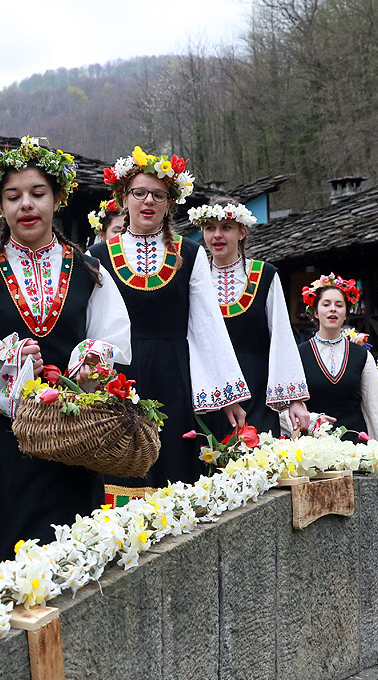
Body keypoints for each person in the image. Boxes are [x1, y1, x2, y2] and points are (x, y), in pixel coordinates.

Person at [0, 136, 132, 570]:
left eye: (37, 193)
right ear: (0, 206)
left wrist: (89, 367)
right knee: (5, 562)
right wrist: (7, 364)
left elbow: (113, 338)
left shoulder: (90, 270)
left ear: (58, 199)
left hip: (74, 444)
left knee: (75, 563)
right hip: (3, 446)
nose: (26, 204)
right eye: (13, 196)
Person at [89, 147, 249, 505]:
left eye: (158, 195)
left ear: (170, 202)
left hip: (177, 375)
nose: (148, 201)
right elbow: (89, 327)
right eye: (140, 193)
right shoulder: (97, 257)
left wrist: (228, 394)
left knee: (175, 471)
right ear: (123, 198)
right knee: (122, 469)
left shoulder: (189, 254)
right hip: (121, 378)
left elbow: (207, 323)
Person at [188, 199, 310, 438]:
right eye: (210, 228)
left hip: (257, 389)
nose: (217, 235)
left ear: (242, 231)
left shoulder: (264, 275)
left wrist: (294, 399)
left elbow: (282, 337)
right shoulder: (194, 279)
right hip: (210, 391)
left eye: (226, 227)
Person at [295, 274, 378, 446]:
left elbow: (376, 410)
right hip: (313, 449)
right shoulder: (299, 354)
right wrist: (312, 420)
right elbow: (285, 408)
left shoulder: (361, 356)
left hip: (355, 448)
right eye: (326, 304)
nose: (333, 309)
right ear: (316, 312)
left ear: (346, 313)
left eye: (339, 305)